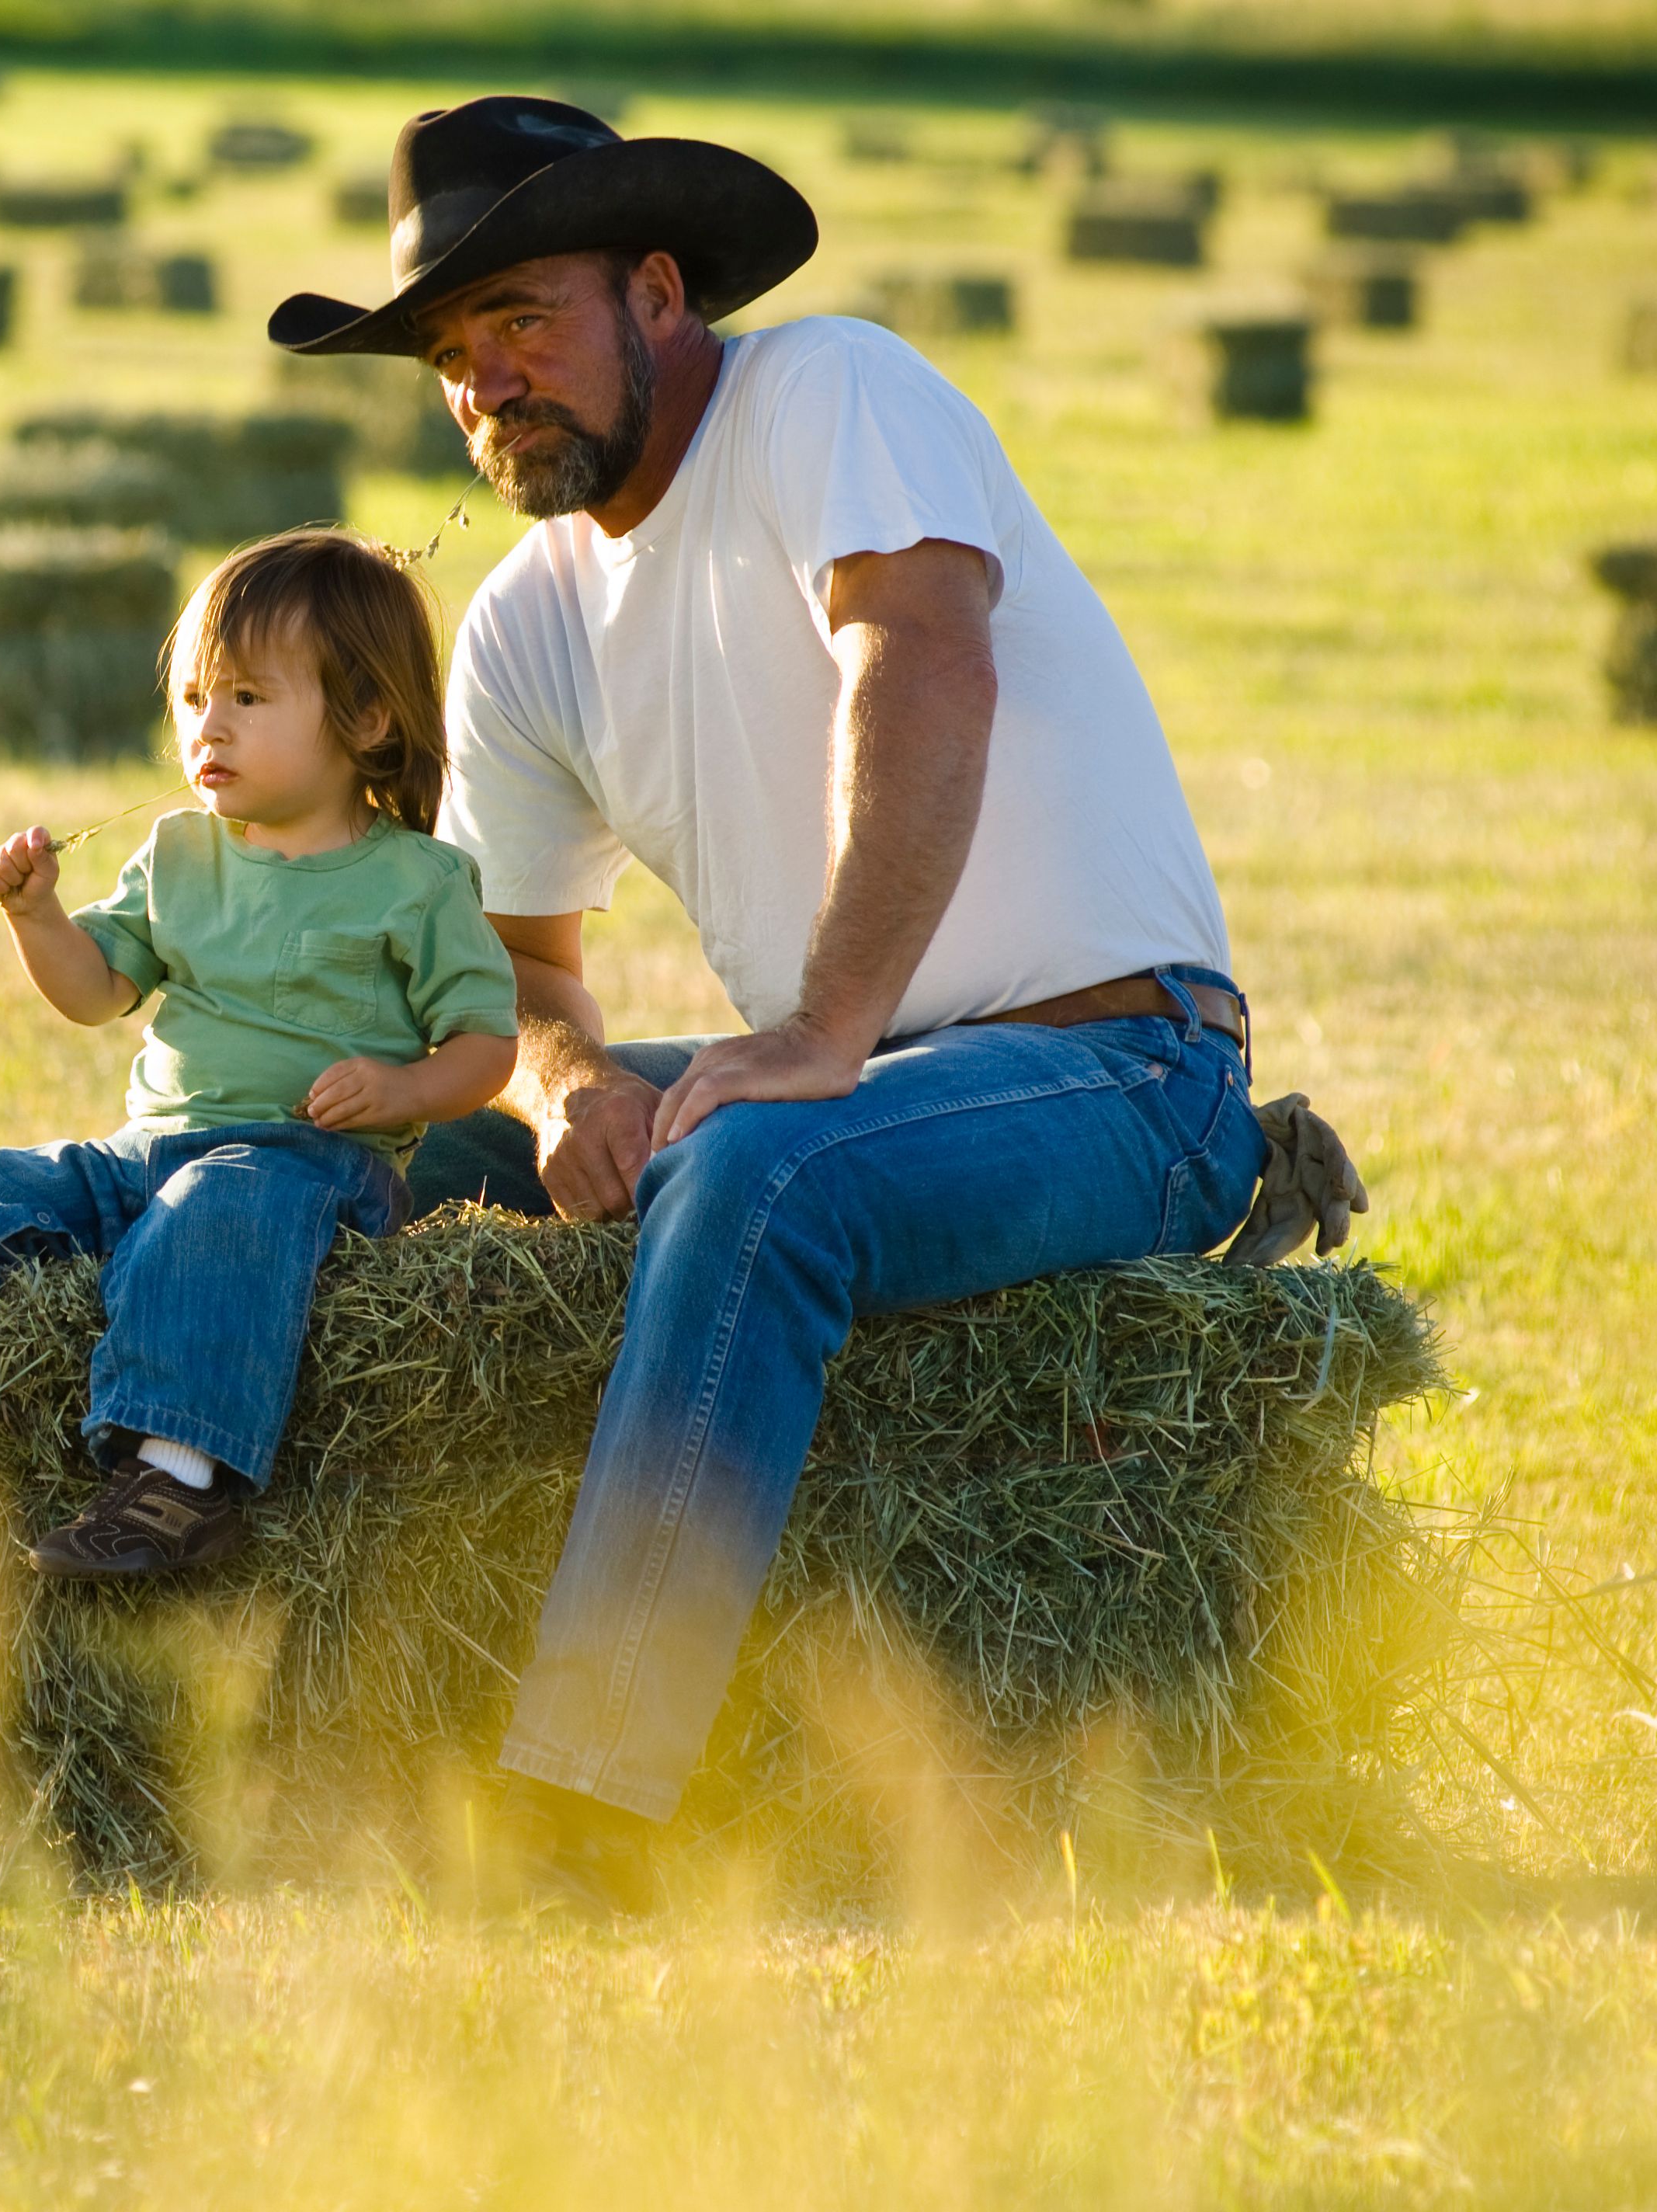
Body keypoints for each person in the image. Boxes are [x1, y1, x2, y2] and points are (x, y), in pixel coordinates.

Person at [269, 96, 1322, 1911]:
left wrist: (825, 1026)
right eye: (450, 354)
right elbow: (510, 966)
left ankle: (590, 1791)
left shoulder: (825, 395)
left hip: (1118, 1069)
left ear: (656, 290)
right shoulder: (526, 618)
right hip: (872, 1084)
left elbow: (916, 661)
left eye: (521, 318)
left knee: (758, 1164)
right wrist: (567, 1082)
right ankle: (223, 1640)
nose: (485, 380)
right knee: (386, 1123)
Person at [0, 529, 520, 1579]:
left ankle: (177, 1485)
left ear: (366, 717)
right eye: (193, 699)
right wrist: (38, 918)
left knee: (210, 1222)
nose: (208, 727)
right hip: (149, 1154)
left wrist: (403, 1087)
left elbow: (488, 1045)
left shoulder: (416, 883)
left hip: (305, 1171)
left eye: (246, 698)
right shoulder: (180, 854)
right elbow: (98, 990)